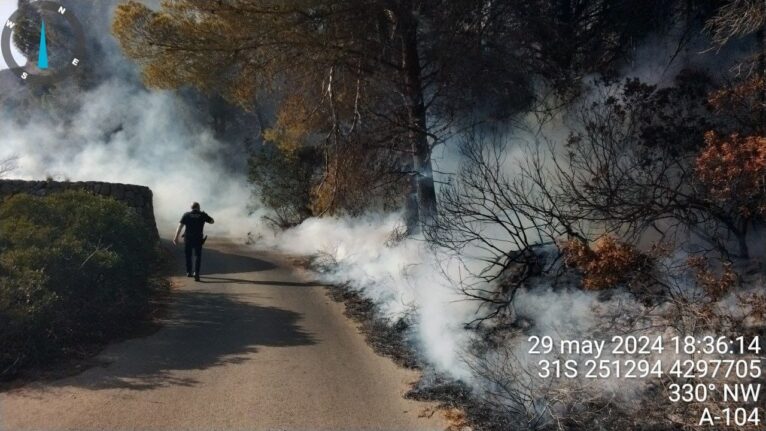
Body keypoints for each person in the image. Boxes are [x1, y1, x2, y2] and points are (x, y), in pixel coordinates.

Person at [173, 202, 214, 281]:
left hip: (188, 238)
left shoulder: (186, 215)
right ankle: (196, 273)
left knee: (188, 255)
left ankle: (189, 272)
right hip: (198, 238)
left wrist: (176, 237)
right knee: (197, 256)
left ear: (191, 208)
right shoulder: (202, 215)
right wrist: (205, 215)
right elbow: (212, 221)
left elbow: (180, 226)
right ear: (198, 207)